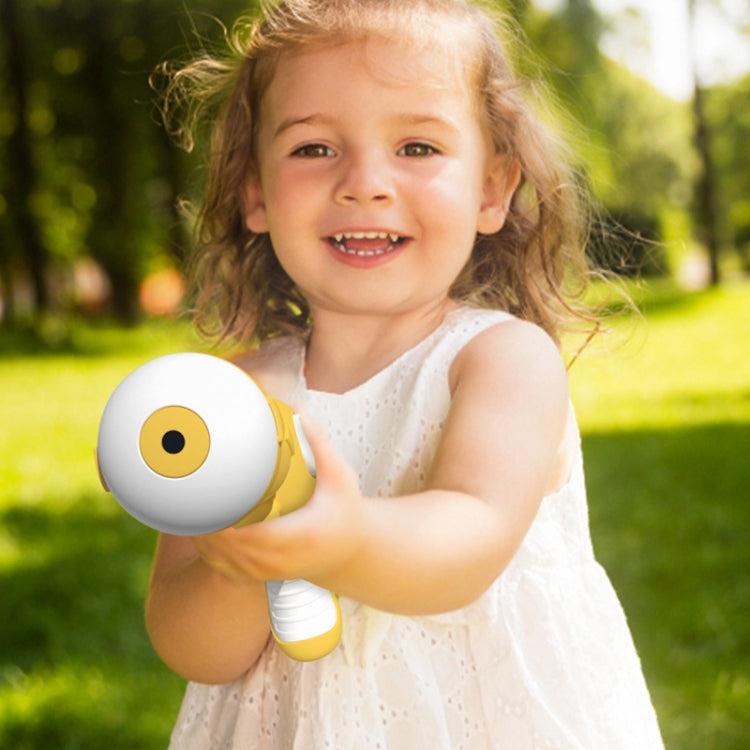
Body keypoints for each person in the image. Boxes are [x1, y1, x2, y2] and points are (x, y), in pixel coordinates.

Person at [146, 0, 664, 747]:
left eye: (417, 147)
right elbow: (190, 646)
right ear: (254, 191)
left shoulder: (500, 360)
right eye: (314, 149)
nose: (365, 182)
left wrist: (343, 541)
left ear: (492, 189)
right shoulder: (235, 400)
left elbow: (472, 536)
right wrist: (239, 568)